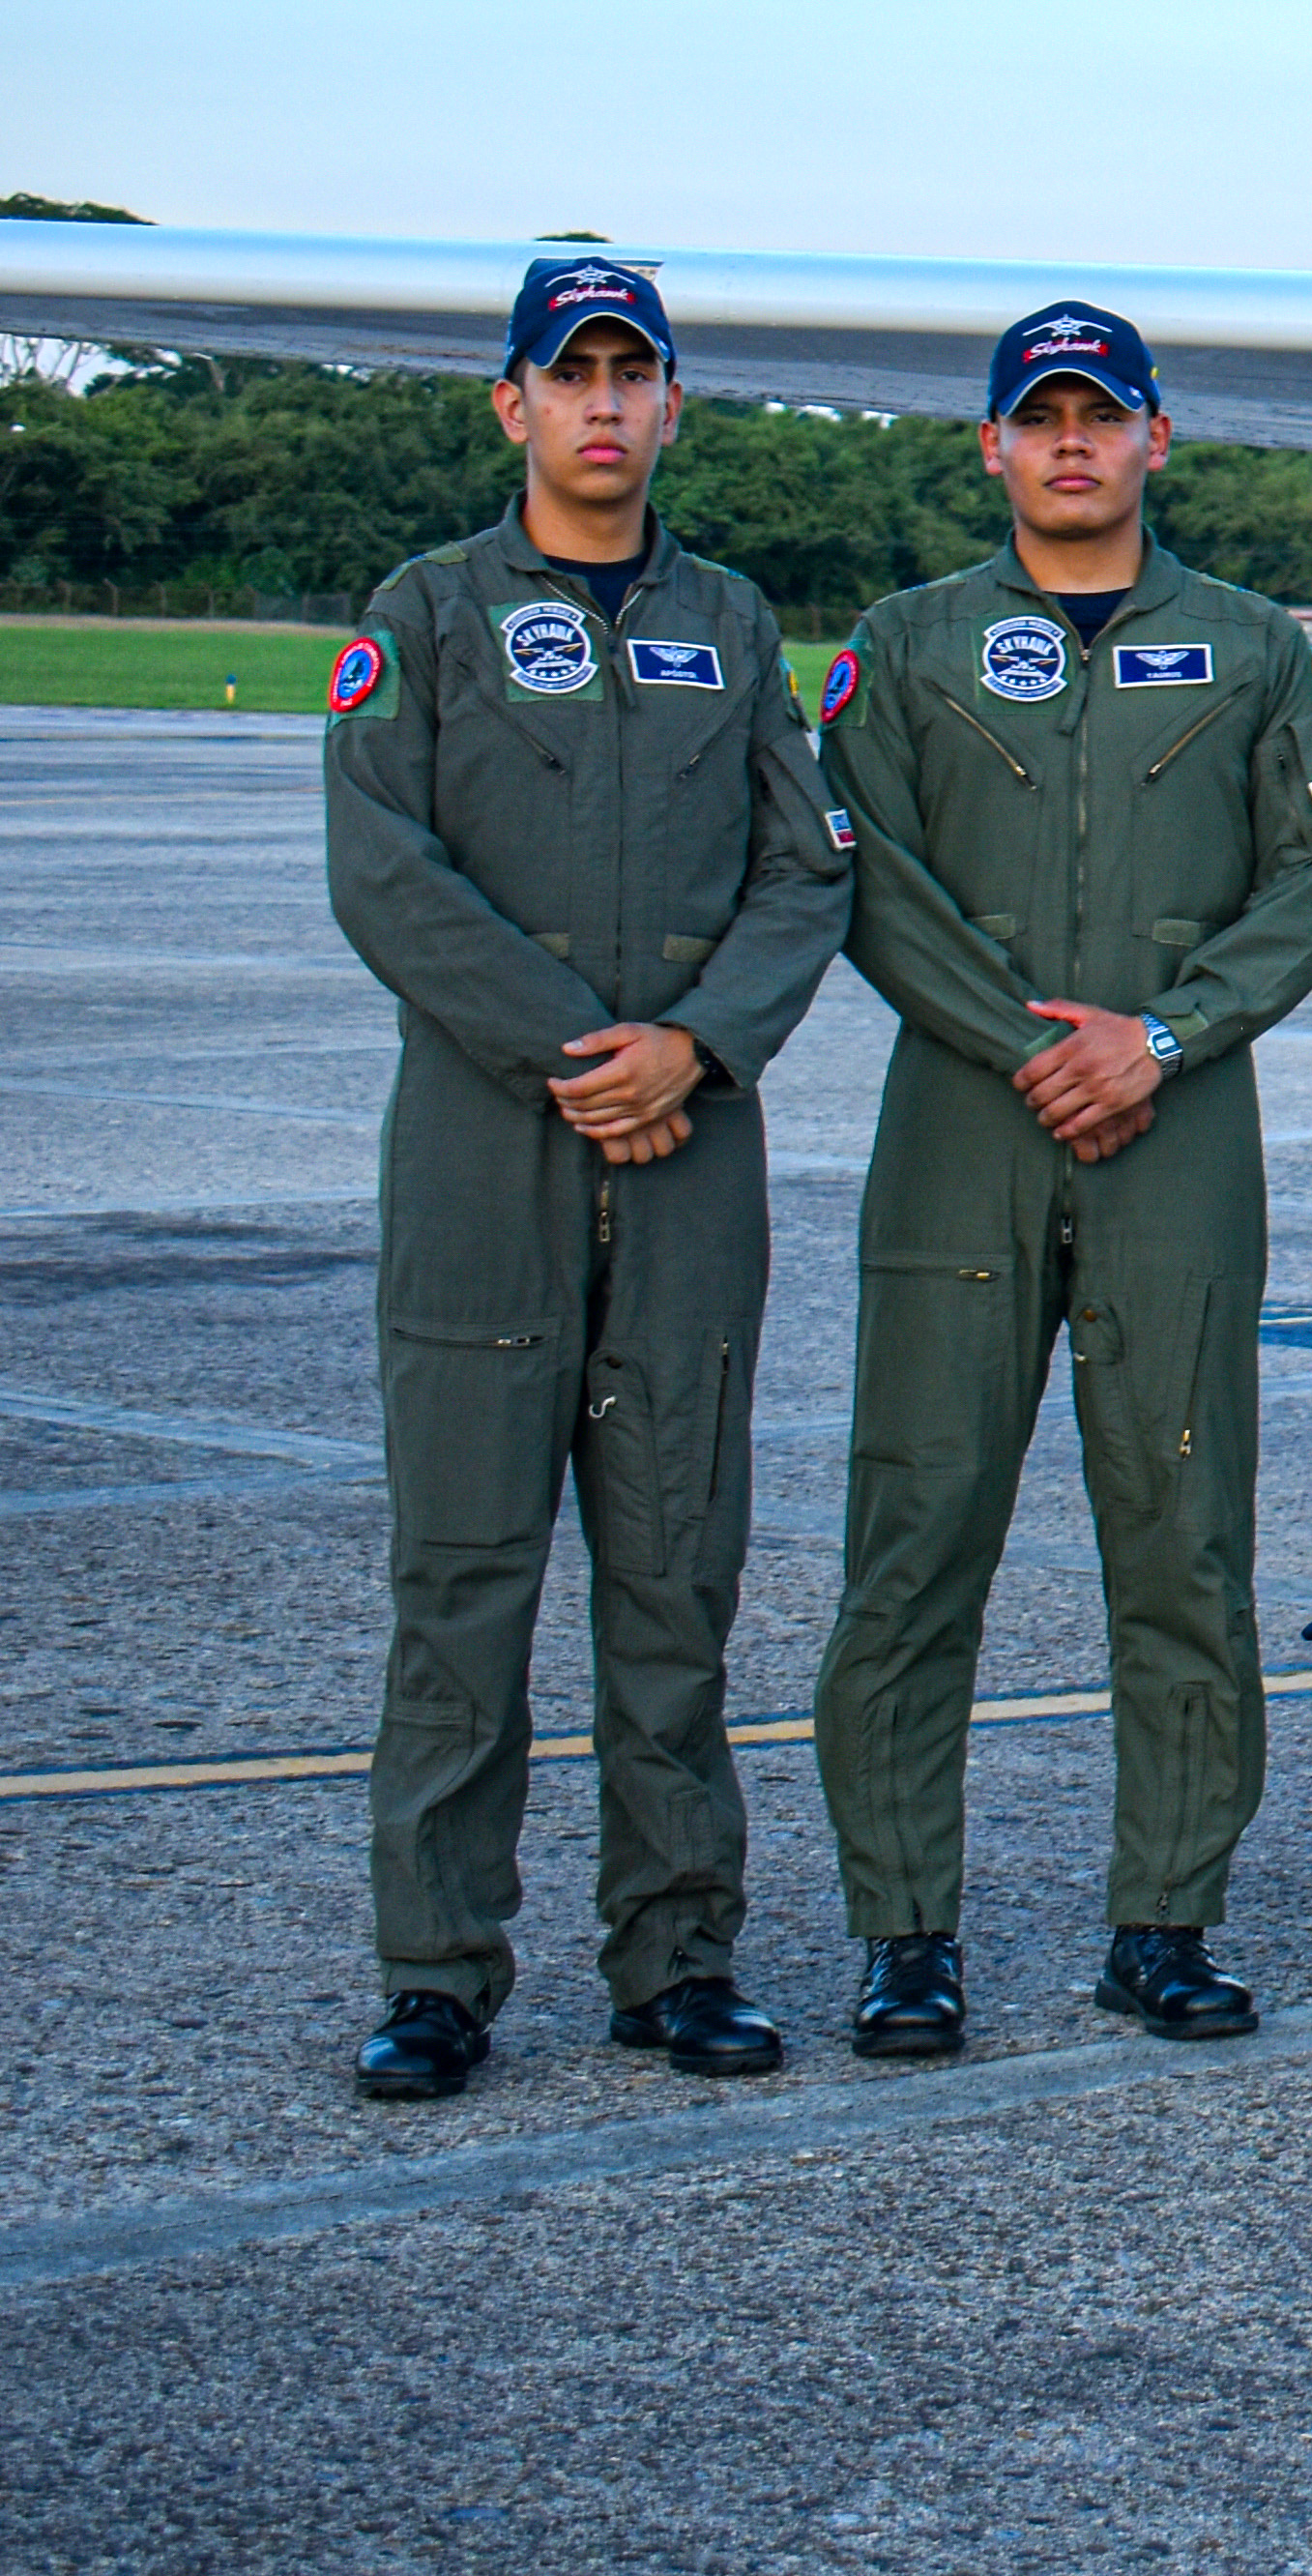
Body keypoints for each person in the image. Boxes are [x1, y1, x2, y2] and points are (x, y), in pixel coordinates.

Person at [318, 258, 850, 2098]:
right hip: (487, 1157)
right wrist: (577, 1050)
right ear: (514, 407)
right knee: (463, 1577)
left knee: (675, 1571)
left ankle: (677, 1955)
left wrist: (692, 1049)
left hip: (693, 1157)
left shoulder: (734, 619)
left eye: (636, 374)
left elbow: (809, 868)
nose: (605, 404)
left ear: (675, 406)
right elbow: (384, 869)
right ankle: (438, 1970)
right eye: (574, 375)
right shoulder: (432, 613)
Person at [811, 302, 1312, 2055]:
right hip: (961, 1135)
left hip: (1178, 1138)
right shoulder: (907, 647)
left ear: (1156, 439)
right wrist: (1030, 1039)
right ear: (991, 444)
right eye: (1038, 418)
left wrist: (1168, 1037)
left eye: (1101, 416)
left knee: (1185, 1539)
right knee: (915, 1540)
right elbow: (867, 874)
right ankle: (908, 1933)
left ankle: (1167, 1918)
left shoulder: (1258, 648)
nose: (1072, 443)